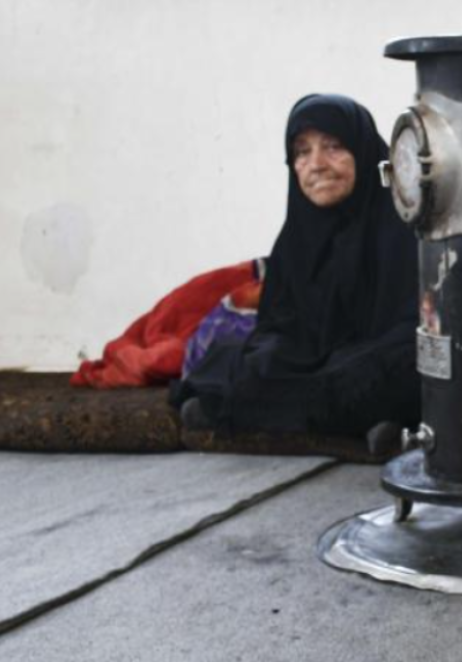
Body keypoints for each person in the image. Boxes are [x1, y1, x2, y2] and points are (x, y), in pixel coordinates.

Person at [172, 93, 422, 449]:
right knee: (237, 359)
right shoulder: (295, 239)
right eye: (302, 152)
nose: (316, 164)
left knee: (406, 369)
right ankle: (371, 425)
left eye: (333, 146)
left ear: (365, 154)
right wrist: (277, 352)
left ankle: (246, 412)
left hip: (374, 357)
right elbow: (277, 325)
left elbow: (415, 325)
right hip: (312, 365)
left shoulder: (402, 225)